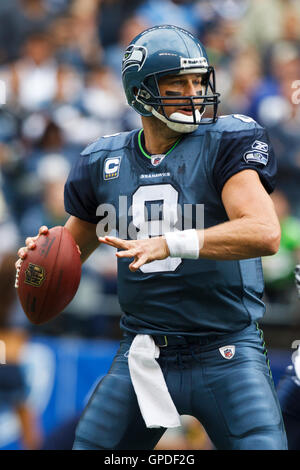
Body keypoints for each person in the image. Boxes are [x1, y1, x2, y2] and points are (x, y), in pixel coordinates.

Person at [16, 25, 287, 450]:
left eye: (198, 80)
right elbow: (65, 254)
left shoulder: (225, 141)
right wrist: (35, 265)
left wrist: (170, 242)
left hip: (227, 350)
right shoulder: (101, 161)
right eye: (178, 82)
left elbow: (265, 231)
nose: (194, 91)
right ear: (141, 90)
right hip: (144, 353)